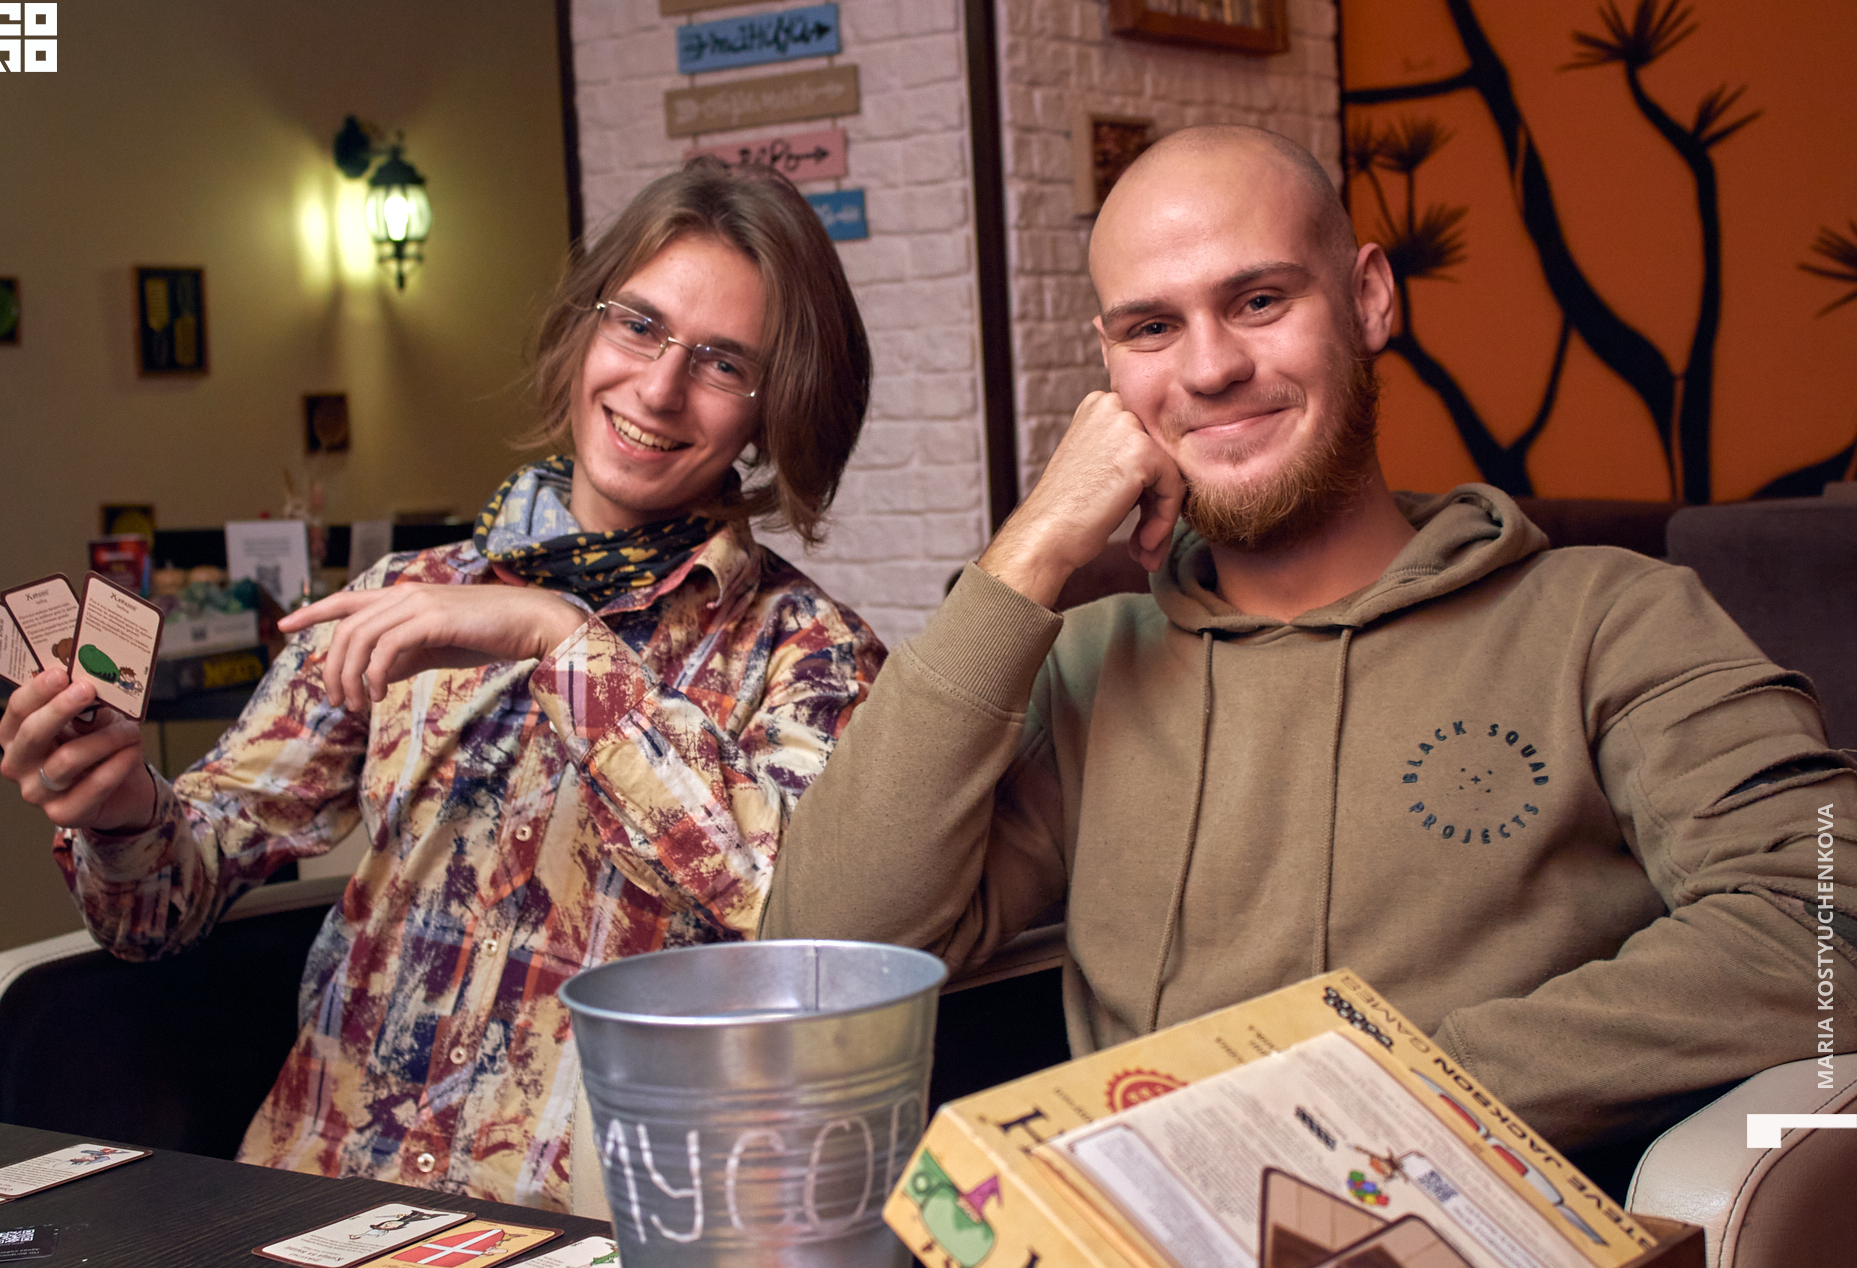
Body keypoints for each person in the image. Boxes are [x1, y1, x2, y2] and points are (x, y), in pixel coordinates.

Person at [760, 125, 1855, 1155]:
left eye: (1259, 301)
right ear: (1110, 364)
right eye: (1152, 328)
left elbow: (1824, 929)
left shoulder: (1612, 619)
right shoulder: (1088, 662)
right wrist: (1030, 550)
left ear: (1369, 298)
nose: (1209, 369)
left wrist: (1373, 1108)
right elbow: (826, 965)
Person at [0, 158, 885, 1212]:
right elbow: (159, 909)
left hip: (565, 1229)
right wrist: (120, 812)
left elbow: (782, 910)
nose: (658, 388)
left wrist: (556, 636)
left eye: (723, 362)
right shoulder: (403, 597)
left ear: (774, 413)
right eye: (640, 325)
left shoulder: (814, 654)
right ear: (583, 330)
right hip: (315, 1199)